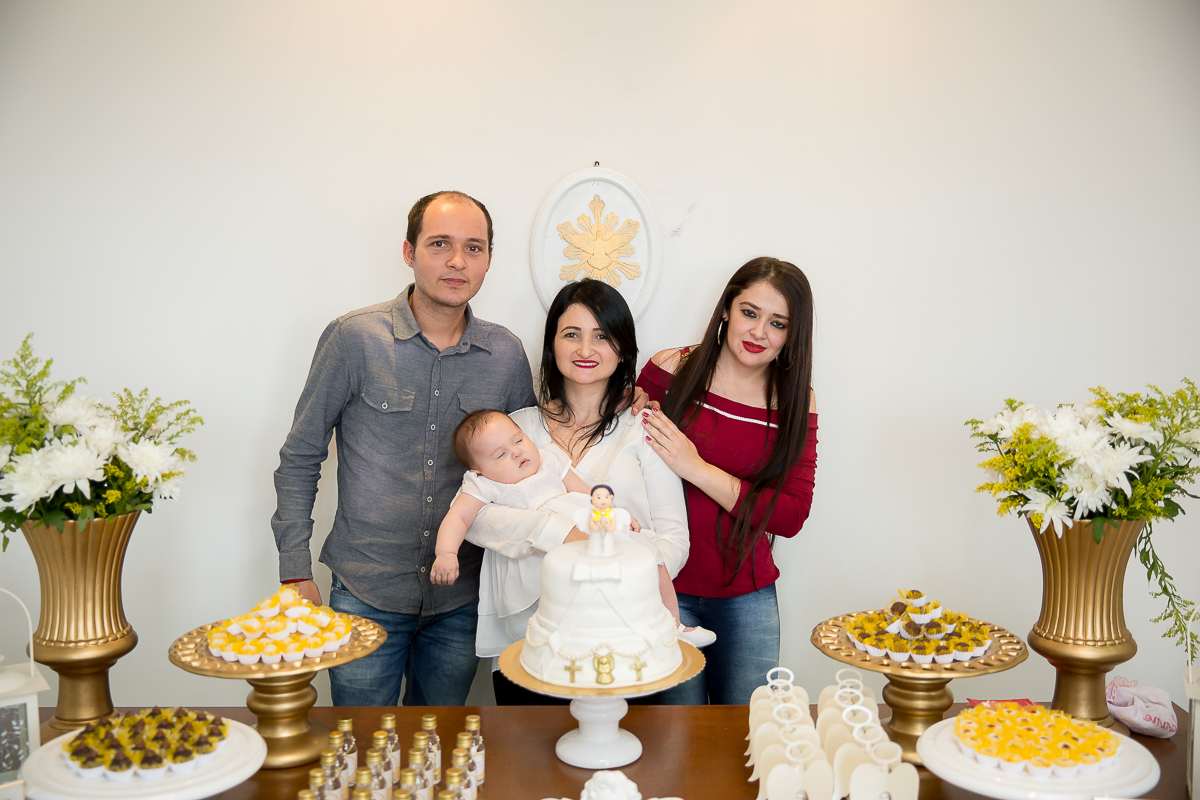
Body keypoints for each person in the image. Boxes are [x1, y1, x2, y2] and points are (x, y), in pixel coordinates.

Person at [270, 190, 538, 706]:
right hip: (364, 592)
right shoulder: (354, 339)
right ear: (409, 251)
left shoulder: (504, 353)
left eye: (474, 248)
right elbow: (300, 458)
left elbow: (531, 462)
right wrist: (294, 571)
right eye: (440, 244)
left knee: (434, 754)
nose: (457, 261)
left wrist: (622, 403)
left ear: (488, 261)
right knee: (361, 755)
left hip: (461, 599)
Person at [462, 279, 693, 704]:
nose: (586, 349)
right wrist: (565, 536)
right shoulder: (516, 429)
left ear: (622, 348)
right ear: (552, 345)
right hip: (529, 645)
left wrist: (615, 571)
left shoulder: (645, 431)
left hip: (625, 644)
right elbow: (476, 517)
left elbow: (674, 538)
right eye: (572, 334)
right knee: (530, 767)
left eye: (602, 336)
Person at [637, 256, 818, 705]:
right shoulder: (671, 370)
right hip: (663, 588)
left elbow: (791, 514)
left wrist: (695, 467)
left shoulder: (796, 401)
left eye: (778, 323)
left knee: (749, 734)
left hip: (747, 597)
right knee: (676, 738)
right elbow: (622, 466)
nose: (758, 332)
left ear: (793, 334)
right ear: (726, 310)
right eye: (749, 313)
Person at [432, 409, 713, 646]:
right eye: (500, 455)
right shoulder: (482, 485)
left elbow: (588, 491)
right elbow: (458, 518)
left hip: (587, 524)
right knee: (580, 597)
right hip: (542, 553)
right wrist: (446, 553)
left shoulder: (549, 459)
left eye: (518, 440)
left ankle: (672, 626)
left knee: (652, 555)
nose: (517, 452)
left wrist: (616, 514)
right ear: (479, 471)